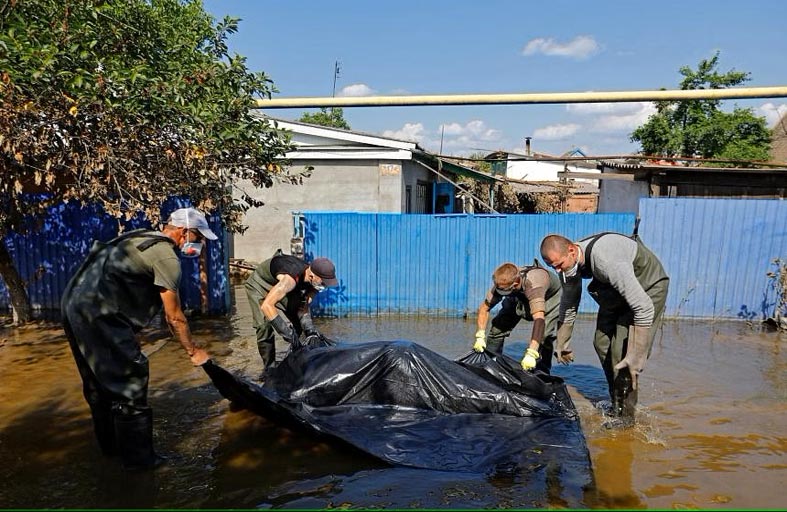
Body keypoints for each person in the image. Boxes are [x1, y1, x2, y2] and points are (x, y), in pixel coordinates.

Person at [61, 207, 214, 470]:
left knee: (97, 383)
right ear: (184, 231)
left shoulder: (138, 237)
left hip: (72, 305)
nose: (199, 244)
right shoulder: (167, 257)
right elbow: (174, 317)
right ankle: (141, 463)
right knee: (132, 378)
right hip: (100, 312)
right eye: (198, 237)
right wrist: (192, 350)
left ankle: (110, 452)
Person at [539, 231, 669, 421]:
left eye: (558, 265)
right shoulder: (568, 265)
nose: (557, 271)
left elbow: (644, 307)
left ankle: (625, 418)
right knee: (601, 343)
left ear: (571, 251)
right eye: (552, 267)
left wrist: (636, 356)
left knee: (622, 354)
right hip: (617, 290)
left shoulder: (606, 260)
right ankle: (616, 400)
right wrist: (562, 341)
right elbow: (569, 301)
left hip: (648, 288)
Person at [244, 252, 339, 373]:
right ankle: (269, 368)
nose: (324, 286)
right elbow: (267, 305)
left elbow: (302, 308)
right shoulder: (290, 280)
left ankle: (295, 361)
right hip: (259, 284)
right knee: (264, 326)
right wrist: (287, 334)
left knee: (300, 327)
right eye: (324, 282)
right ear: (312, 276)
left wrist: (310, 330)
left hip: (283, 286)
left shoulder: (314, 284)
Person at [472, 260, 562, 374]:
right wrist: (480, 335)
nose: (500, 293)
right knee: (498, 328)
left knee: (544, 337)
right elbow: (484, 308)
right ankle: (490, 366)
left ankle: (541, 373)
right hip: (518, 295)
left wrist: (531, 353)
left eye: (504, 291)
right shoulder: (502, 283)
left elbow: (539, 320)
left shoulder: (533, 285)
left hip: (549, 297)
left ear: (515, 284)